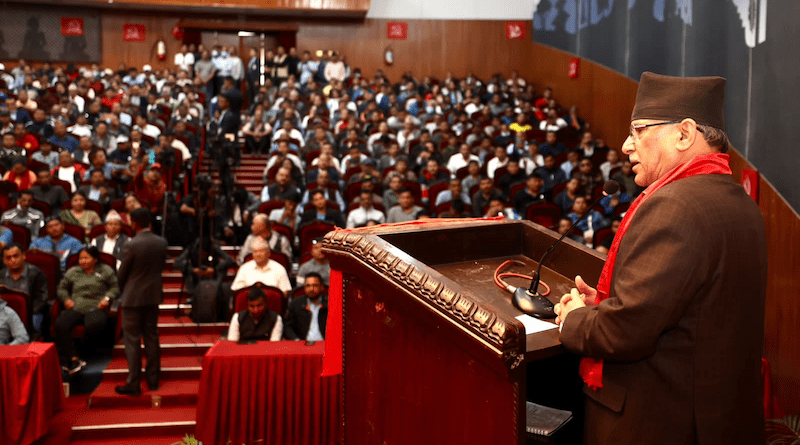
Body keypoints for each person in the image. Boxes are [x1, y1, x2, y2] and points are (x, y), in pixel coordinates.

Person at [553, 72, 767, 445]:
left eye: (638, 130)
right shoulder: (739, 204)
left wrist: (576, 319)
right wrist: (604, 304)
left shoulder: (675, 206)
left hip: (660, 425)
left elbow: (625, 333)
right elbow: (681, 312)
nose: (625, 146)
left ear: (684, 134)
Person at [115, 208, 168, 396]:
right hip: (153, 295)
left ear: (135, 223)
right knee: (152, 336)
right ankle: (153, 380)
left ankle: (133, 383)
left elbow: (122, 274)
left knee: (132, 340)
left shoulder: (131, 244)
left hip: (132, 296)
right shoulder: (162, 242)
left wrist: (121, 290)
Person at [55, 246, 119, 375]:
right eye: (80, 258)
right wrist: (66, 299)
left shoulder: (105, 270)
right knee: (61, 324)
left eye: (86, 258)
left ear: (95, 259)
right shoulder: (73, 271)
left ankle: (82, 354)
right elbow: (61, 288)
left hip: (96, 308)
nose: (83, 261)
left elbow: (115, 287)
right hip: (76, 307)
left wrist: (107, 298)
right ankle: (74, 358)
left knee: (93, 324)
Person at [2, 243, 49, 336]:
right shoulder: (1, 275)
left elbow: (42, 299)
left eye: (16, 256)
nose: (13, 260)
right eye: (8, 258)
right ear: (4, 260)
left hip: (31, 313)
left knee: (33, 327)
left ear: (23, 256)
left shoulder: (36, 274)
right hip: (5, 313)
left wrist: (25, 313)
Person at [284, 272, 327, 341]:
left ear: (321, 287)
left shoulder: (330, 304)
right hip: (302, 345)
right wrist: (296, 340)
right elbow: (288, 327)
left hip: (326, 344)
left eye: (315, 285)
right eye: (308, 286)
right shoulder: (296, 303)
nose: (311, 289)